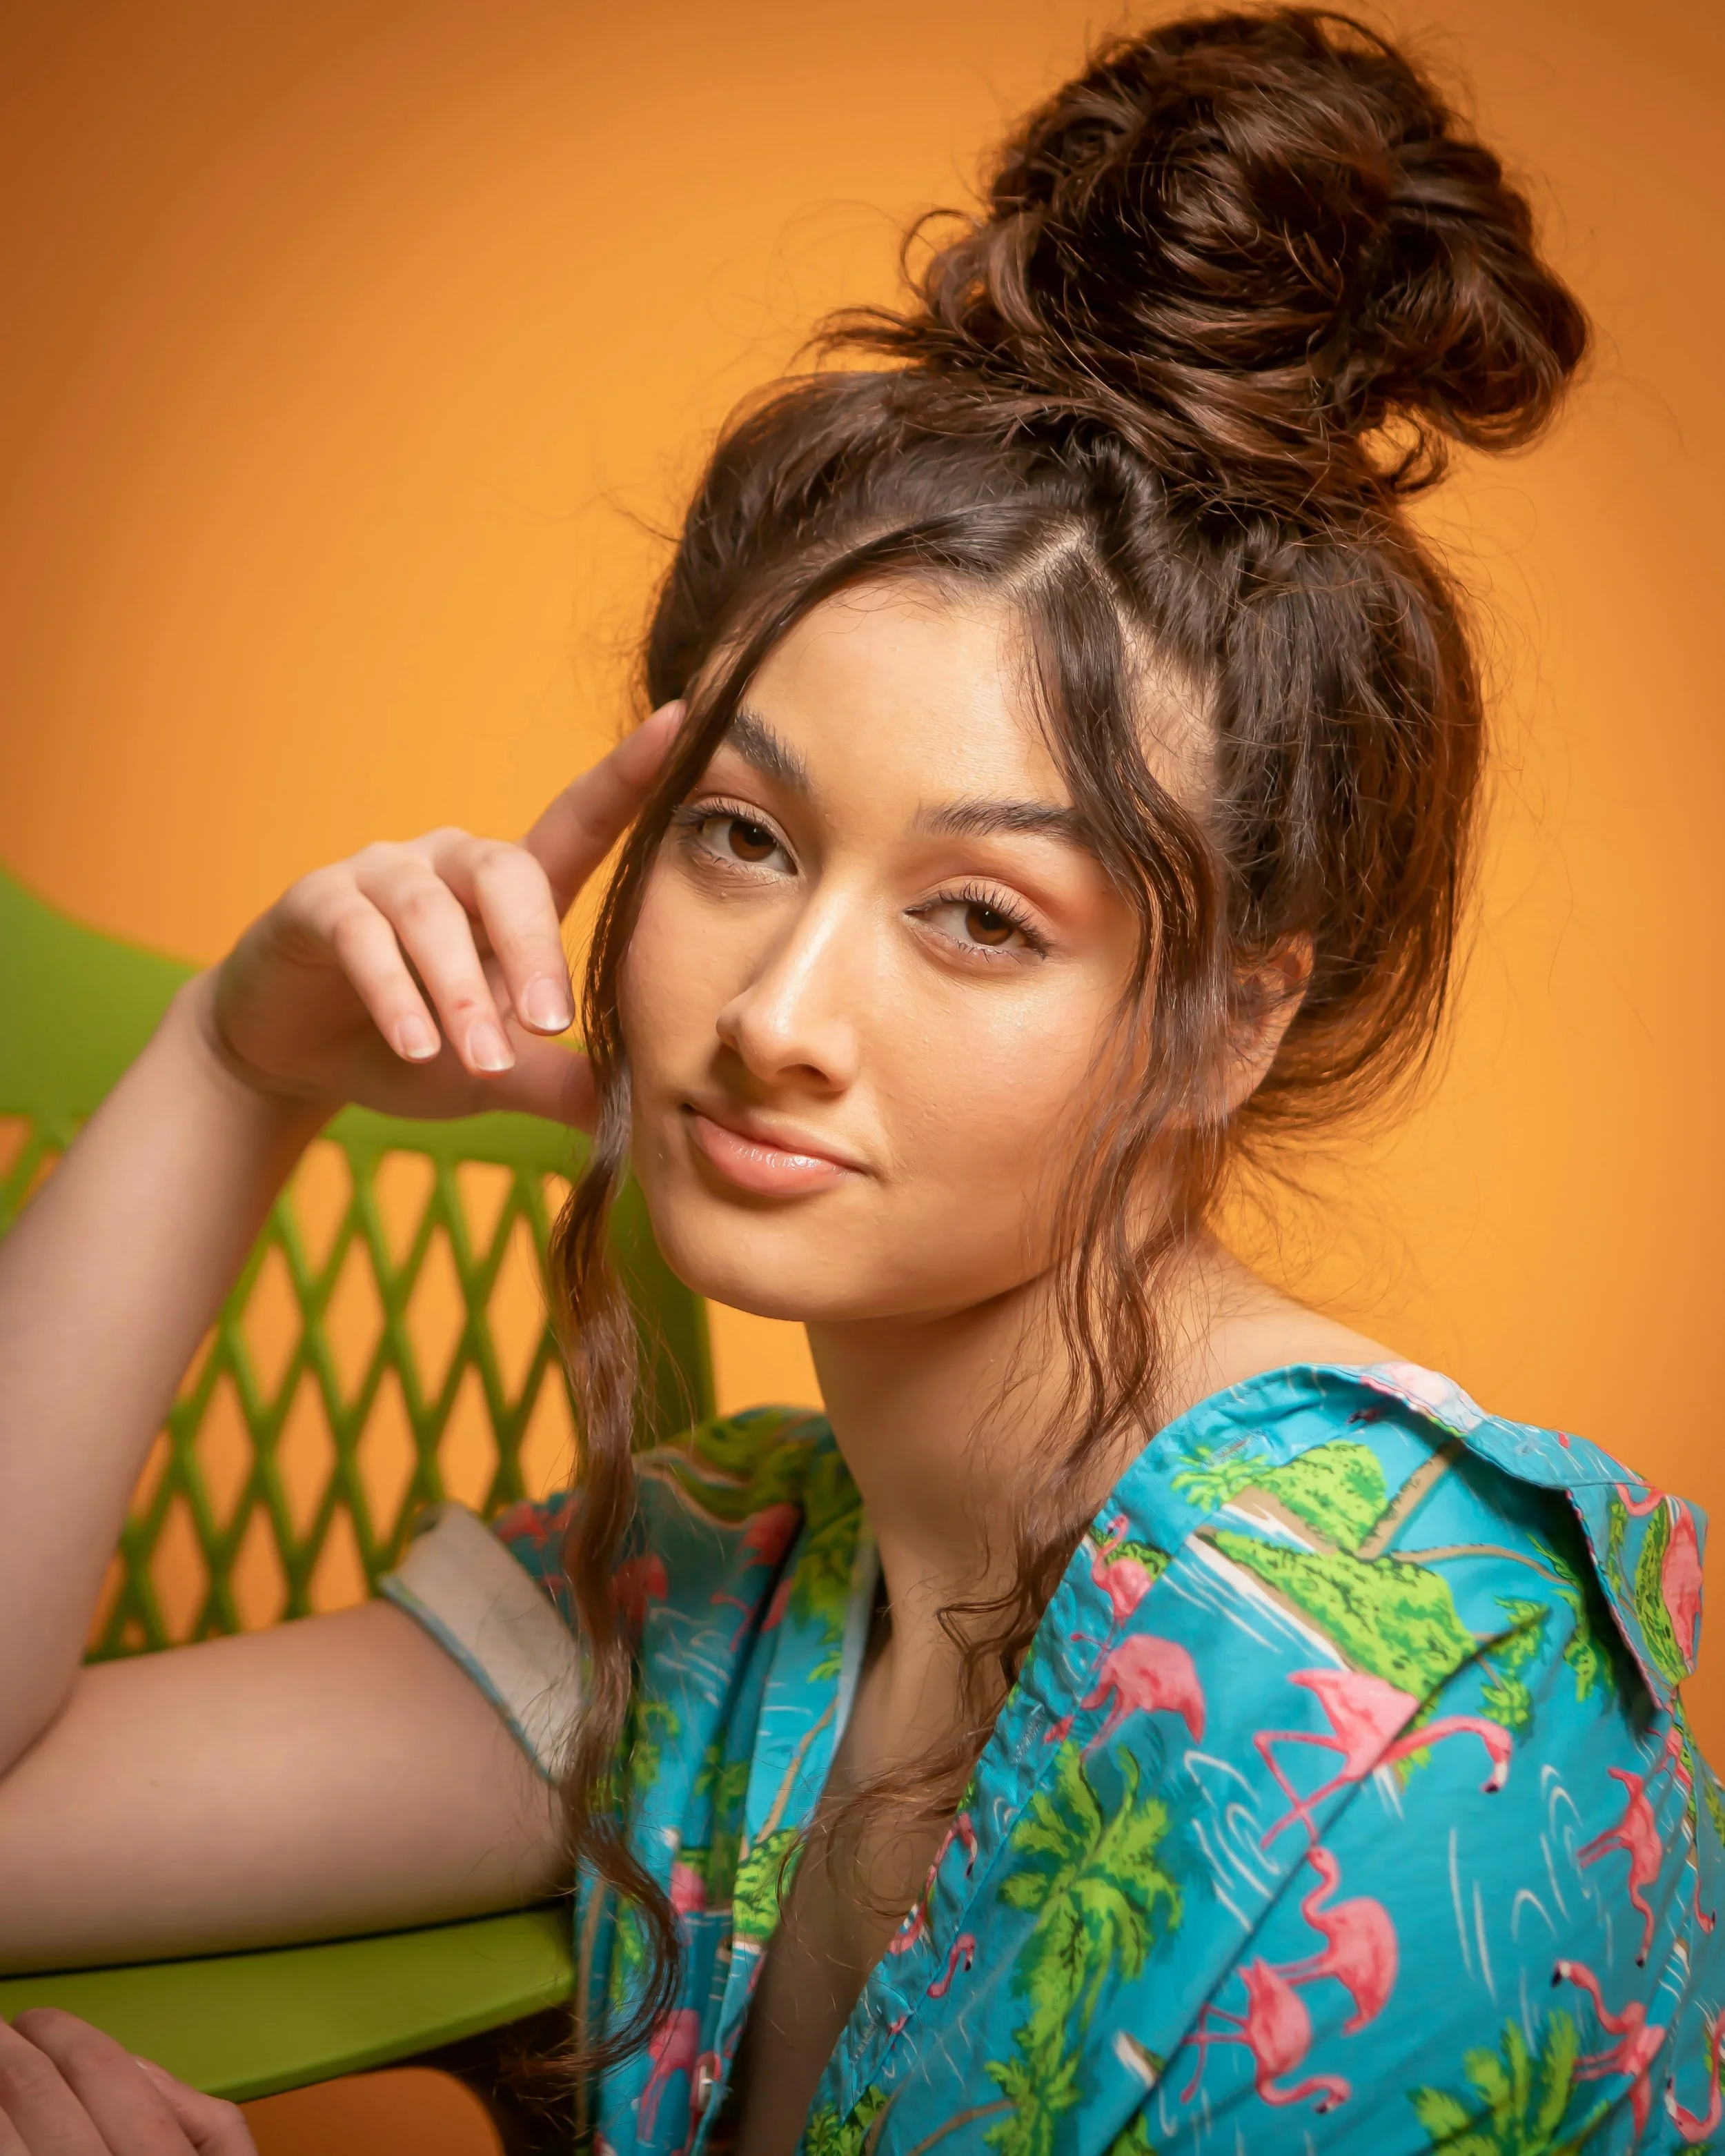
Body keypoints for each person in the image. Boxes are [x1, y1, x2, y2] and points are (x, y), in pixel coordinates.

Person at [2, 8, 1720, 2153]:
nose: (777, 1009)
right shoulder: (738, 1594)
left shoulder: (1395, 1706)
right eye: (743, 835)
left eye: (980, 914)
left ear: (1229, 1020)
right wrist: (231, 1061)